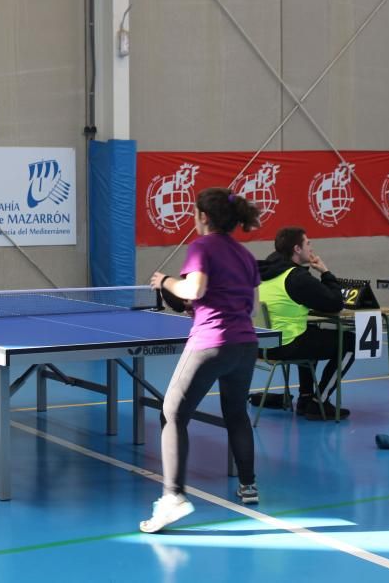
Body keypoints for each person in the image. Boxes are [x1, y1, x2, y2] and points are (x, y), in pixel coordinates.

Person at [139, 188, 262, 534]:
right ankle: (248, 485)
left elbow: (194, 290)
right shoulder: (245, 255)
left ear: (203, 217)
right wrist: (198, 303)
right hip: (245, 344)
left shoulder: (201, 247)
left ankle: (172, 497)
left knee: (173, 413)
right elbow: (241, 301)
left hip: (211, 343)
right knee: (236, 412)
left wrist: (165, 281)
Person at [257, 227, 354, 420]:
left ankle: (305, 396)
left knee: (312, 330)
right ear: (297, 249)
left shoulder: (267, 270)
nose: (312, 247)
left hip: (263, 344)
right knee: (351, 342)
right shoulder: (296, 277)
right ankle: (319, 402)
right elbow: (335, 302)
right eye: (308, 243)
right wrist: (325, 272)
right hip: (286, 345)